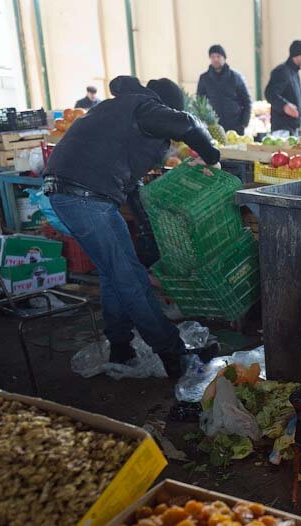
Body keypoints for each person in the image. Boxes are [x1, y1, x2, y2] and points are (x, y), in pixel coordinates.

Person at [43, 76, 220, 377]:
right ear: (167, 107)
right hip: (84, 196)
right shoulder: (146, 108)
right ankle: (173, 355)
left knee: (114, 274)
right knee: (131, 277)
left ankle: (121, 347)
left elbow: (131, 184)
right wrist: (213, 157)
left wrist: (147, 228)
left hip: (73, 193)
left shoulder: (118, 109)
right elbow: (189, 125)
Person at [196, 44, 252, 135]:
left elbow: (247, 101)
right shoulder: (204, 78)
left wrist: (244, 123)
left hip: (235, 125)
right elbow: (200, 101)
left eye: (218, 56)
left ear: (224, 58)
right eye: (212, 57)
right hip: (213, 126)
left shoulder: (236, 77)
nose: (215, 59)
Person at [265, 40, 301, 134]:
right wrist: (284, 106)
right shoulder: (282, 72)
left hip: (292, 127)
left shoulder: (293, 72)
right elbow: (270, 93)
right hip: (282, 128)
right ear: (298, 55)